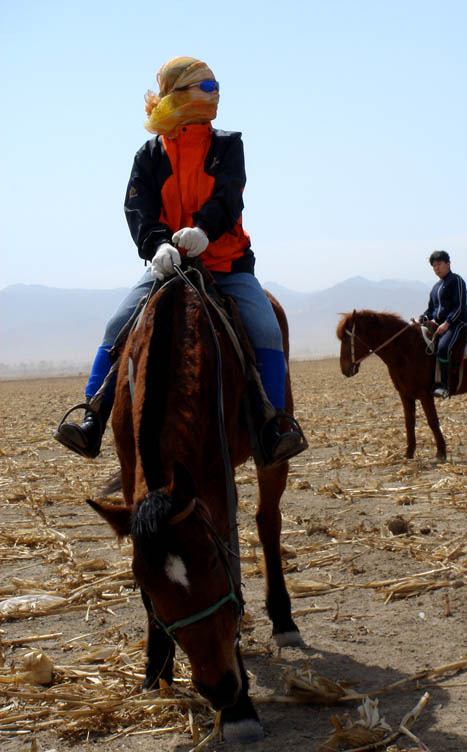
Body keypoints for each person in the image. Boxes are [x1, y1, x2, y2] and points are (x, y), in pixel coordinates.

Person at [55, 56, 307, 466]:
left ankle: (273, 425)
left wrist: (205, 231)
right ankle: (91, 416)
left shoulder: (228, 145)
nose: (215, 94)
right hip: (167, 266)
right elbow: (137, 208)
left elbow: (230, 196)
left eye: (215, 86)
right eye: (204, 87)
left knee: (266, 330)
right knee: (116, 326)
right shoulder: (149, 154)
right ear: (176, 95)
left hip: (227, 264)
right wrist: (156, 246)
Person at [418, 250, 467, 399]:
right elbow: (431, 310)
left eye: (439, 264)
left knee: (443, 348)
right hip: (438, 325)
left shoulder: (456, 281)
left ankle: (445, 387)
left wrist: (448, 323)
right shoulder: (435, 287)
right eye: (434, 266)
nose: (436, 268)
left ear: (448, 263)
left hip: (457, 325)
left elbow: (459, 307)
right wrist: (423, 317)